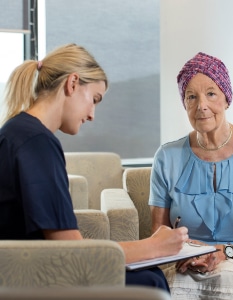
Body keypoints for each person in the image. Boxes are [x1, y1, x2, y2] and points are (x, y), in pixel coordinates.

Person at [0, 43, 189, 293]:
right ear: (73, 83)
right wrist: (155, 247)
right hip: (32, 279)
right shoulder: (38, 143)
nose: (92, 115)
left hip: (23, 271)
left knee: (148, 273)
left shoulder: (17, 131)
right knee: (150, 281)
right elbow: (72, 252)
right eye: (94, 100)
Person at [149, 52, 233, 298]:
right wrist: (189, 253)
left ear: (226, 98)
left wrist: (221, 252)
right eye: (191, 97)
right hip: (187, 265)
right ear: (185, 104)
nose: (201, 105)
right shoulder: (166, 157)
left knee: (228, 281)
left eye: (211, 93)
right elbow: (159, 232)